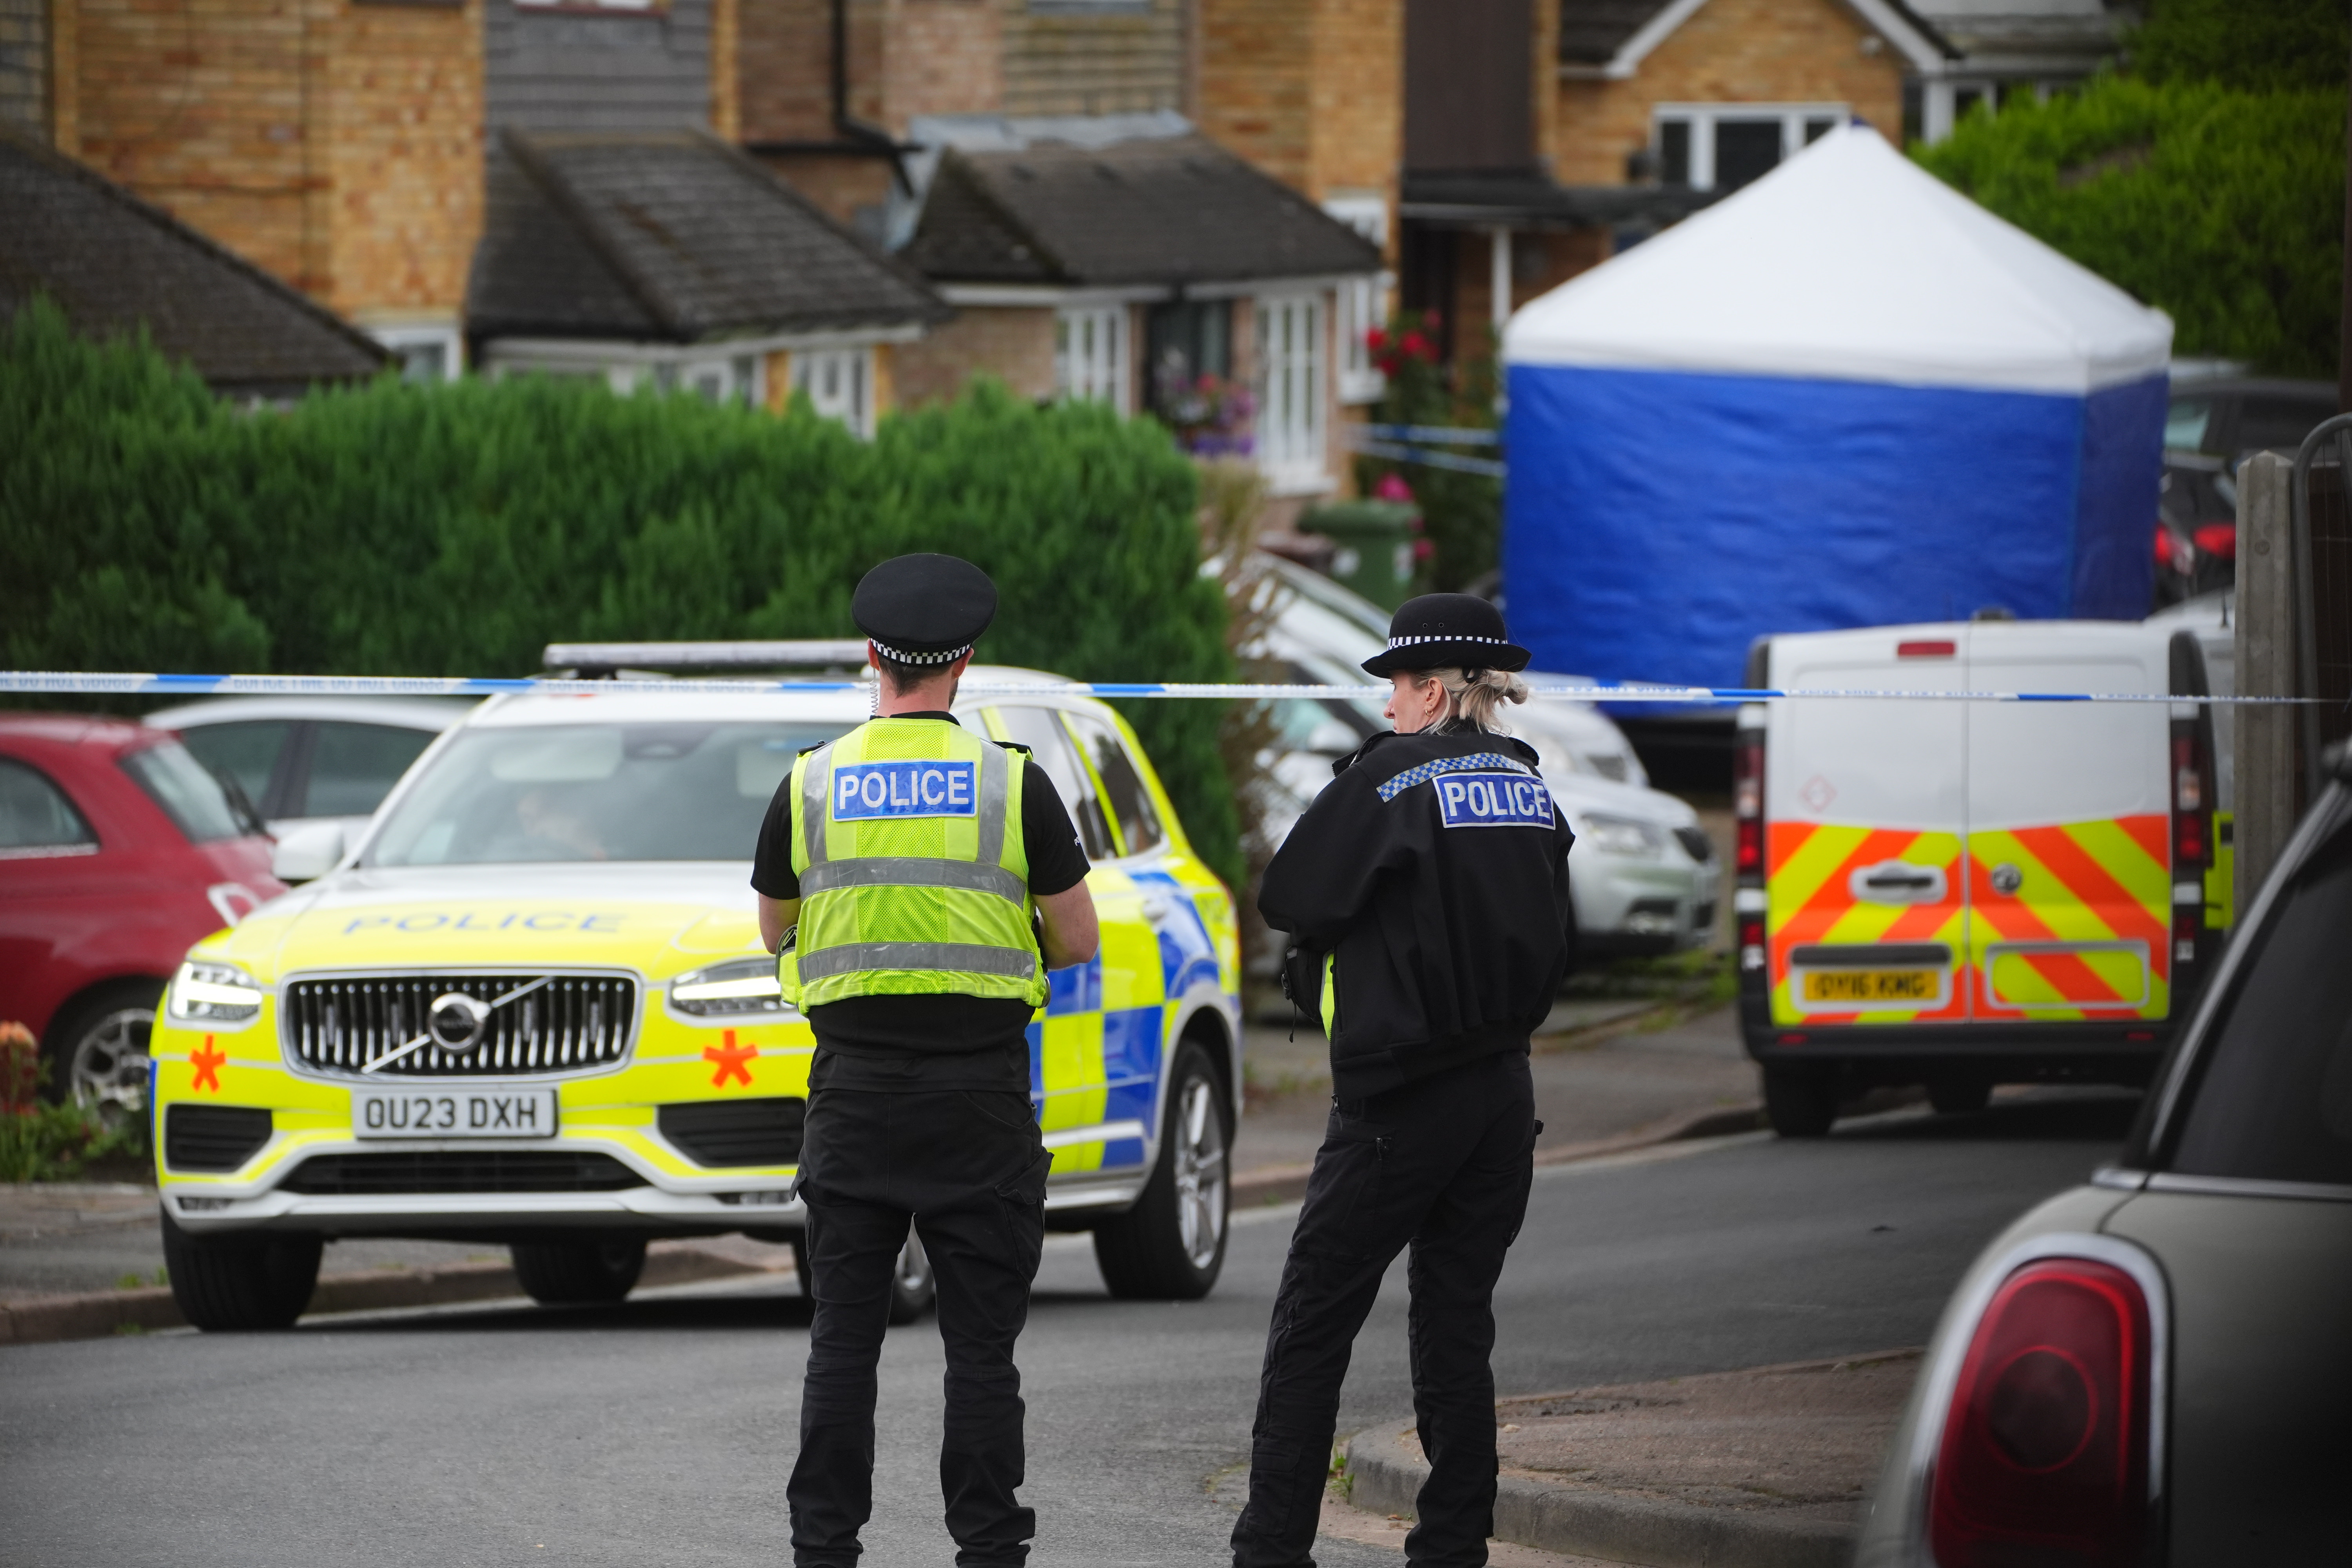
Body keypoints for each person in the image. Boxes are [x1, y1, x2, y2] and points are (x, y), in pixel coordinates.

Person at [751, 552, 1100, 1568]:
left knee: (843, 1346)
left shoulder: (809, 781)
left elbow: (775, 928)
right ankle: (989, 1550)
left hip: (854, 1096)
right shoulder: (1015, 785)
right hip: (980, 1101)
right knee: (981, 1354)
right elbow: (1077, 938)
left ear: (872, 658)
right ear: (967, 663)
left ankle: (825, 1550)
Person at [1230, 593, 1575, 1568]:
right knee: (1456, 1320)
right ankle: (1453, 1546)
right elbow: (1562, 939)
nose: (1386, 703)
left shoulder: (1387, 780)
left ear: (1432, 688)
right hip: (1502, 1094)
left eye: (1396, 683)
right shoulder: (1529, 784)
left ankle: (1270, 1549)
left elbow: (1290, 893)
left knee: (1313, 1320)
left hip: (1399, 1098)